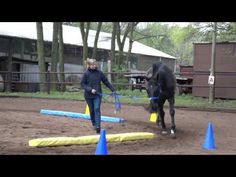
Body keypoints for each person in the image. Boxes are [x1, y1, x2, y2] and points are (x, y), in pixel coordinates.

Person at [81, 58, 116, 134]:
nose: (94, 66)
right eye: (93, 65)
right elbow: (83, 84)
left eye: (95, 64)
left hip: (97, 95)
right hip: (88, 95)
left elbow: (106, 82)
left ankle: (98, 126)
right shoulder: (86, 74)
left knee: (97, 109)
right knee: (92, 110)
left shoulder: (99, 73)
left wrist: (113, 89)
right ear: (89, 65)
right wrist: (90, 89)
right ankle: (94, 124)